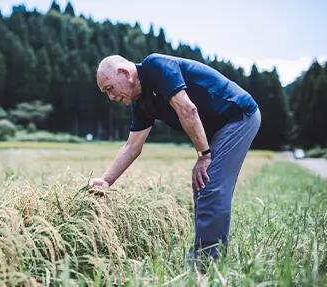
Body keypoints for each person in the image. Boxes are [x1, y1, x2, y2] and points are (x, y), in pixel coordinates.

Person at [89, 53, 261, 269]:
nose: (110, 97)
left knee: (209, 182)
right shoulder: (141, 103)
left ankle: (204, 267)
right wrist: (106, 180)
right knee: (202, 184)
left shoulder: (156, 66)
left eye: (110, 88)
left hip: (238, 115)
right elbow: (132, 147)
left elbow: (187, 109)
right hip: (218, 127)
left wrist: (204, 155)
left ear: (124, 73)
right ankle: (210, 254)